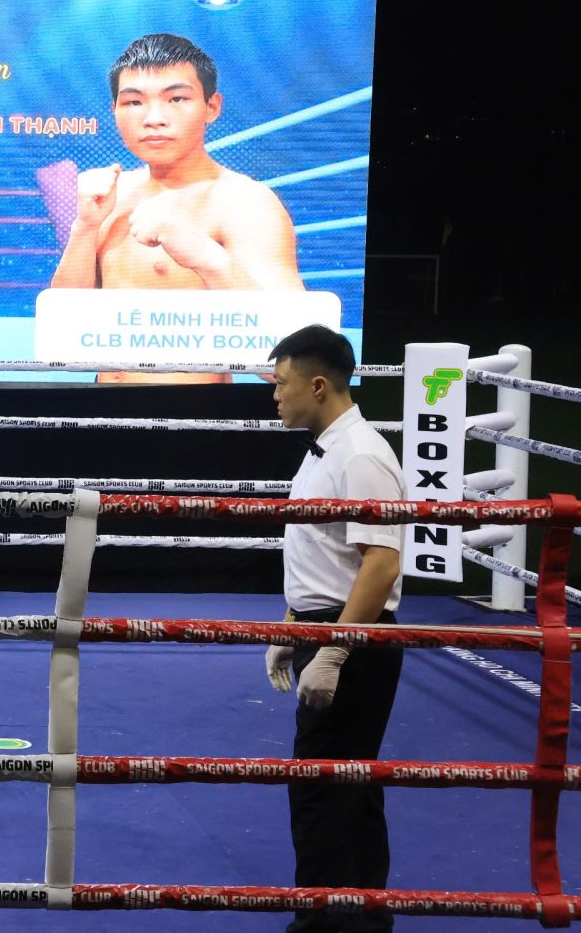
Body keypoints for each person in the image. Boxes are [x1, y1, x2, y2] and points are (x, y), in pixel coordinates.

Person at [49, 33, 305, 383]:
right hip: (102, 405)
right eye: (134, 102)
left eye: (177, 99)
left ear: (212, 107)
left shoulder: (243, 202)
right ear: (114, 111)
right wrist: (85, 227)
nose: (154, 118)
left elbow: (292, 367)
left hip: (191, 413)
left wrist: (206, 256)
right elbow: (64, 329)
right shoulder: (112, 194)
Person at [266, 324, 405, 932]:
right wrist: (292, 627)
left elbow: (381, 563)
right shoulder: (325, 448)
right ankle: (364, 922)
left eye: (282, 383)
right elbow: (327, 556)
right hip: (325, 628)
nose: (275, 395)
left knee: (322, 791)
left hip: (352, 638)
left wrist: (334, 652)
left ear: (318, 385)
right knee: (351, 787)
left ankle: (323, 926)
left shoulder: (360, 455)